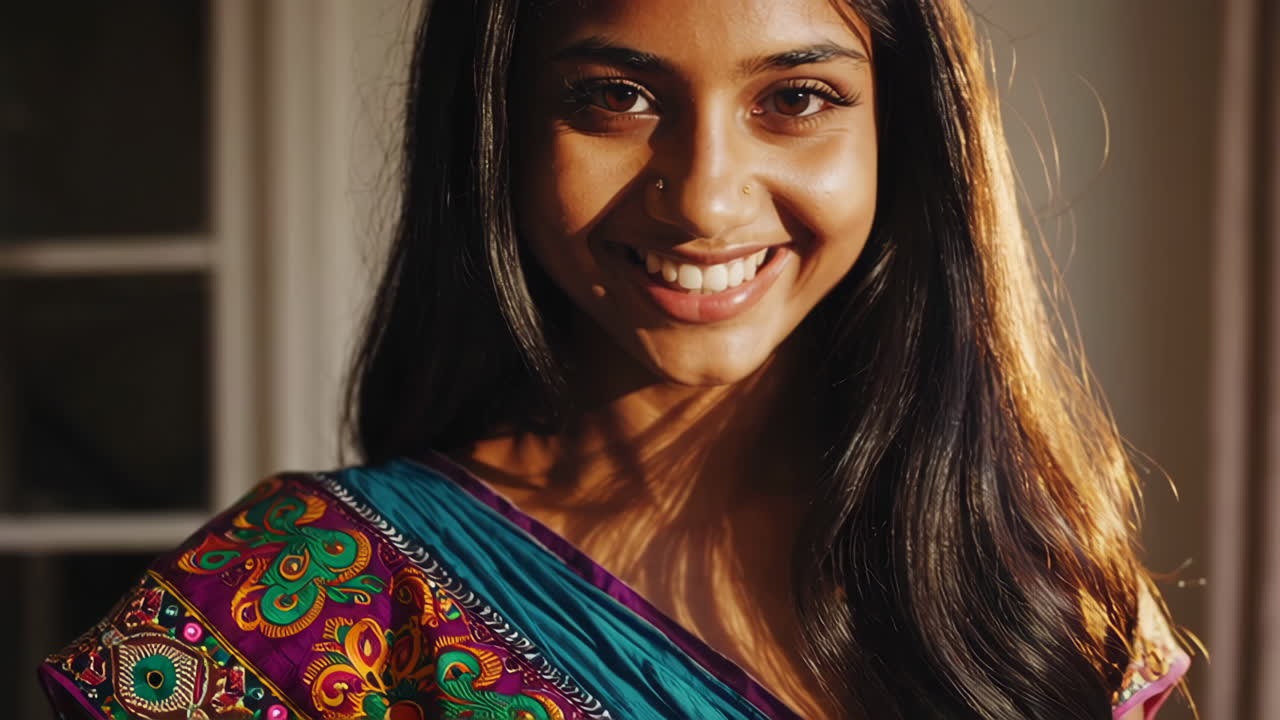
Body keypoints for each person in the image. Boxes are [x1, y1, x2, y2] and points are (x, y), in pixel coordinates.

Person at [38, 0, 1193, 718]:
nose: (704, 199)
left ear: (905, 132)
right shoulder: (301, 598)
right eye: (615, 97)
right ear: (495, 128)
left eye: (796, 97)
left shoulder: (1029, 577)